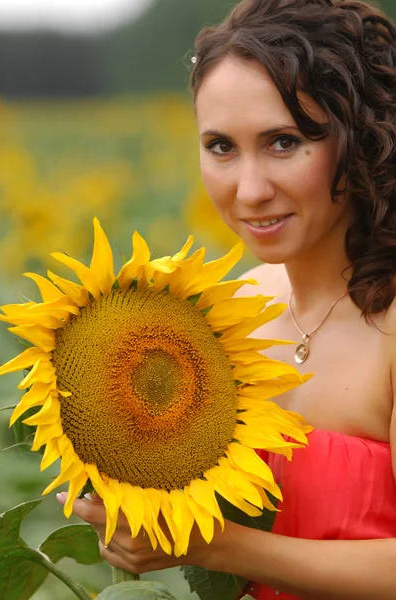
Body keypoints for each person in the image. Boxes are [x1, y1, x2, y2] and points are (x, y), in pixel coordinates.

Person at [58, 0, 396, 597]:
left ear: (364, 137)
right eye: (220, 146)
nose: (249, 189)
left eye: (284, 142)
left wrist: (219, 547)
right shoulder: (220, 313)